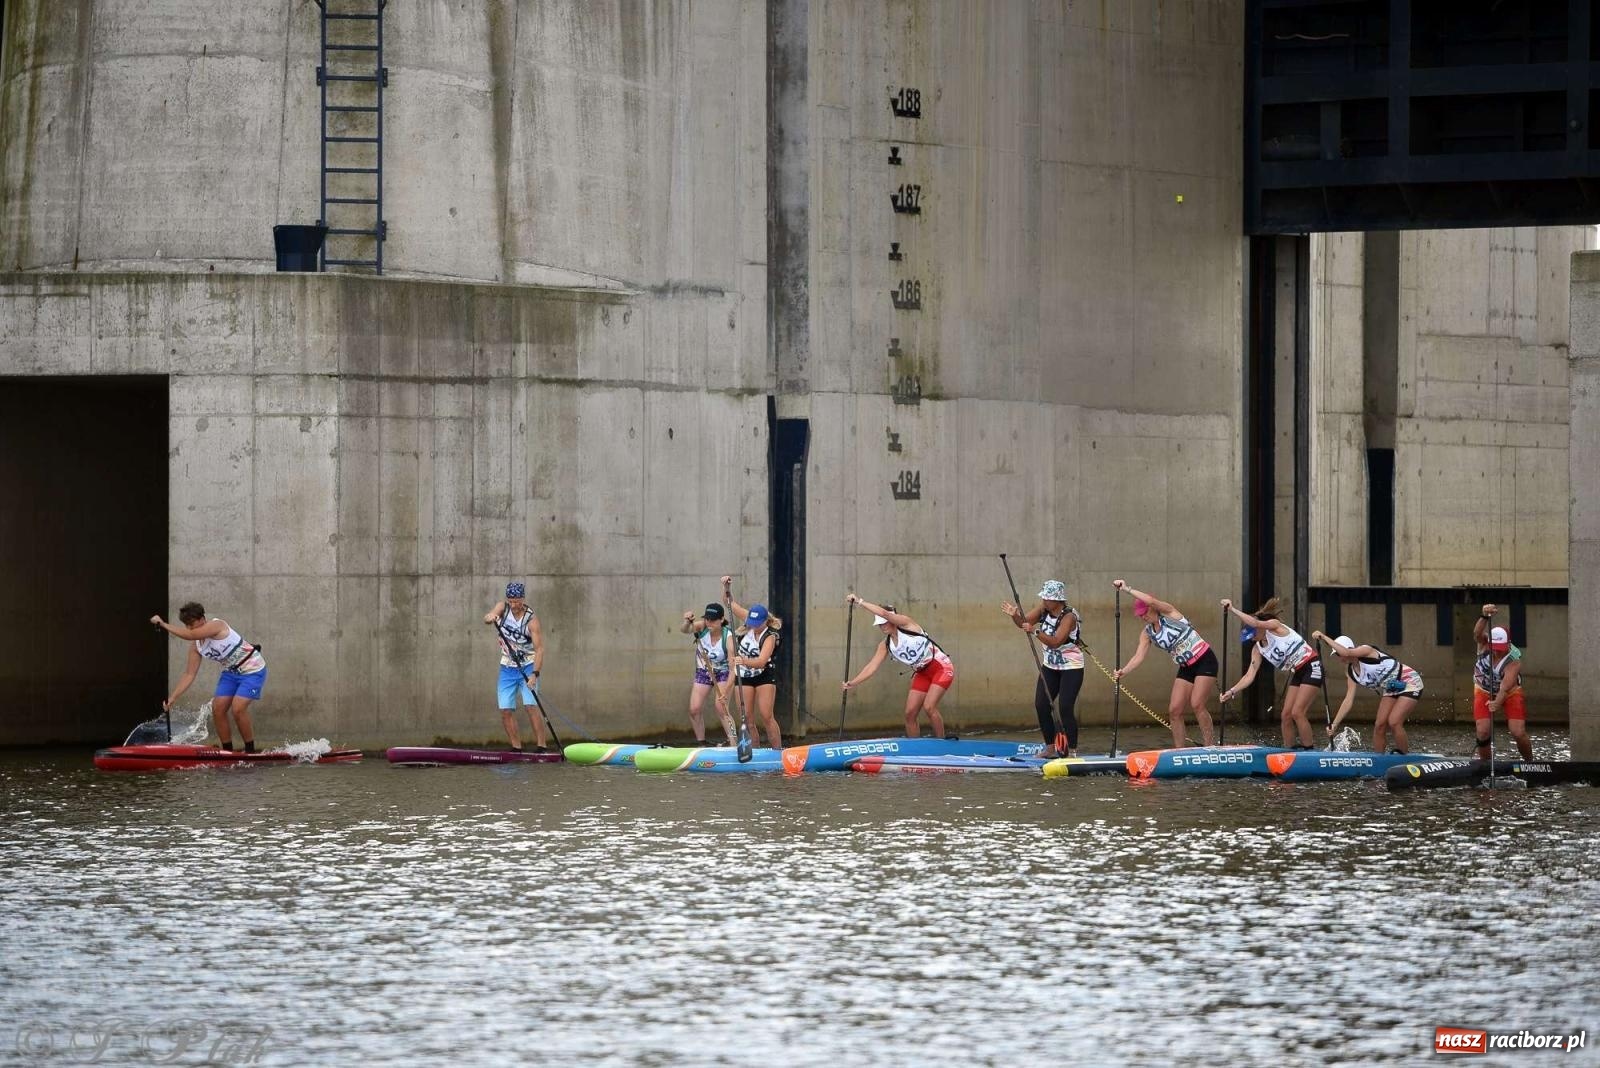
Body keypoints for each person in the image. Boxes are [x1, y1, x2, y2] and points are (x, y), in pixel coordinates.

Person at [1110, 579, 1216, 748]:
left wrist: (1126, 589)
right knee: (1174, 711)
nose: (1143, 616)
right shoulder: (1147, 633)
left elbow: (1151, 601)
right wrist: (1124, 671)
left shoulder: (1169, 613)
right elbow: (1139, 656)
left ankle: (1210, 746)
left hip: (1205, 660)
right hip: (1186, 667)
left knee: (1197, 704)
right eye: (1140, 614)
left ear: (1152, 608)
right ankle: (1179, 752)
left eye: (1145, 612)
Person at [150, 602, 267, 752]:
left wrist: (163, 624)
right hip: (231, 673)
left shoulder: (217, 625)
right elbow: (189, 674)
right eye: (187, 625)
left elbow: (190, 635)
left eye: (192, 624)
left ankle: (250, 751)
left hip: (253, 669)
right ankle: (227, 751)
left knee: (238, 709)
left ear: (202, 619)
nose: (190, 628)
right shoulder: (196, 647)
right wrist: (173, 697)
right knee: (217, 709)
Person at [842, 594, 953, 739]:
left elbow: (884, 613)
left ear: (892, 620)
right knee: (909, 714)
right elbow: (872, 667)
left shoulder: (907, 624)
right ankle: (914, 749)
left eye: (884, 623)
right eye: (880, 624)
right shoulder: (885, 645)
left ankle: (941, 743)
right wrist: (853, 682)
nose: (882, 626)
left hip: (941, 667)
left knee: (929, 707)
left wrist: (859, 602)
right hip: (922, 673)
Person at [1218, 597, 1320, 749]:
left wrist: (1232, 609)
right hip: (1298, 672)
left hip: (1312, 665)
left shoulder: (1274, 626)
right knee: (1285, 715)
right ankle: (1289, 751)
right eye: (1249, 637)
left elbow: (1256, 623)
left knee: (1297, 713)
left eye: (1252, 634)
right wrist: (1232, 691)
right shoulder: (1258, 649)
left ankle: (1310, 751)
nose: (1252, 638)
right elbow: (1249, 675)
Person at [1001, 579, 1082, 757]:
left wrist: (1035, 631)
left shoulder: (1069, 617)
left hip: (1071, 667)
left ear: (1058, 600)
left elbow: (1056, 642)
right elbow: (1024, 622)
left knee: (1065, 707)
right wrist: (1015, 615)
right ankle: (1050, 747)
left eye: (1048, 598)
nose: (1044, 601)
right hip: (1050, 667)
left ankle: (1073, 750)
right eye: (1043, 597)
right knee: (1041, 705)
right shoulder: (1043, 610)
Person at [1311, 631, 1423, 754]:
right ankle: (1378, 759)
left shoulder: (1366, 650)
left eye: (1338, 653)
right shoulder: (1350, 672)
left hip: (1409, 681)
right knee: (1379, 725)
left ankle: (1405, 757)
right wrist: (1335, 724)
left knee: (1394, 722)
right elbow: (1348, 700)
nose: (1338, 657)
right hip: (1391, 688)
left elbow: (1346, 652)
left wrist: (1324, 637)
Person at [482, 582, 547, 753]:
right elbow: (490, 616)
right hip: (507, 667)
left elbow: (539, 649)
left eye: (517, 601)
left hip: (527, 666)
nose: (514, 605)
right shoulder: (503, 607)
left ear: (523, 599)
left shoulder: (531, 620)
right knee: (505, 710)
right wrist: (490, 617)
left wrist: (535, 674)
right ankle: (516, 748)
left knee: (530, 706)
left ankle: (542, 746)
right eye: (511, 601)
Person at [722, 575, 783, 750]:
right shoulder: (749, 619)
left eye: (757, 623)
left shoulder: (770, 636)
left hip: (763, 675)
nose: (753, 626)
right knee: (747, 718)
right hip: (745, 676)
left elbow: (762, 661)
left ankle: (778, 752)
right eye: (751, 622)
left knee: (766, 715)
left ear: (765, 621)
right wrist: (726, 587)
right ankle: (753, 753)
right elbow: (729, 603)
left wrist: (742, 660)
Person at [1472, 605, 1532, 760]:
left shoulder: (1513, 661)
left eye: (1500, 648)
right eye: (1495, 647)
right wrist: (1484, 616)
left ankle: (1530, 763)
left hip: (1509, 692)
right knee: (1483, 731)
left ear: (1508, 644)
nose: (1497, 651)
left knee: (1517, 731)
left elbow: (1505, 688)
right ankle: (1485, 766)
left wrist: (1497, 703)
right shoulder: (1484, 643)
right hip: (1483, 690)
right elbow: (1477, 633)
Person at [680, 602, 737, 746]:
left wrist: (726, 691)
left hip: (724, 673)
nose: (709, 622)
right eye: (707, 619)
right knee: (694, 709)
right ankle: (702, 743)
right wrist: (687, 622)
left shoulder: (729, 639)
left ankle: (734, 743)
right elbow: (685, 630)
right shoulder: (702, 627)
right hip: (704, 671)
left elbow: (733, 670)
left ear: (722, 620)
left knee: (721, 707)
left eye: (713, 620)